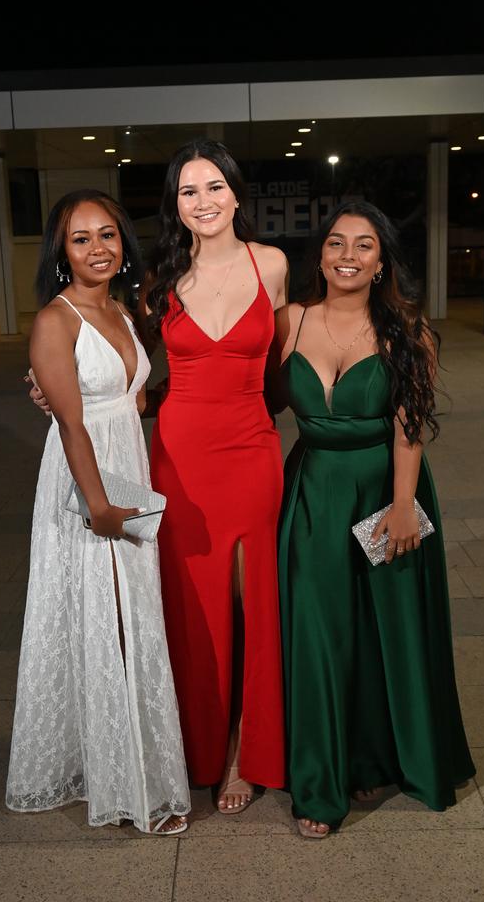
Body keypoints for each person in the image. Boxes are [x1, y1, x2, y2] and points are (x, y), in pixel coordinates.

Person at [272, 201, 475, 839]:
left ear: (382, 260)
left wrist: (405, 503)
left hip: (387, 491)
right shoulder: (289, 321)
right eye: (337, 244)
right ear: (321, 256)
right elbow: (237, 393)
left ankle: (380, 757)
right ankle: (321, 784)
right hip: (312, 492)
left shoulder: (408, 332)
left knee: (390, 632)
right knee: (319, 634)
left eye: (364, 246)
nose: (348, 256)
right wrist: (127, 394)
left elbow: (408, 426)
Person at [6, 189, 190, 836]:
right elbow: (73, 425)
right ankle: (120, 790)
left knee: (131, 619)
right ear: (61, 251)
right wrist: (100, 506)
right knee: (103, 618)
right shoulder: (54, 321)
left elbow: (134, 401)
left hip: (126, 469)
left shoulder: (123, 307)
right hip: (89, 482)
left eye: (107, 234)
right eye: (81, 238)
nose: (97, 248)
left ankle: (132, 766)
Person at [144, 140, 288, 812]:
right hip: (180, 459)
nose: (203, 202)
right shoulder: (160, 279)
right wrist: (52, 387)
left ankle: (245, 754)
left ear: (236, 192)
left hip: (252, 448)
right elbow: (129, 368)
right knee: (194, 607)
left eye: (213, 187)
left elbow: (290, 357)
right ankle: (197, 745)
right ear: (176, 206)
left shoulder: (275, 265)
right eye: (187, 192)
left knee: (253, 600)